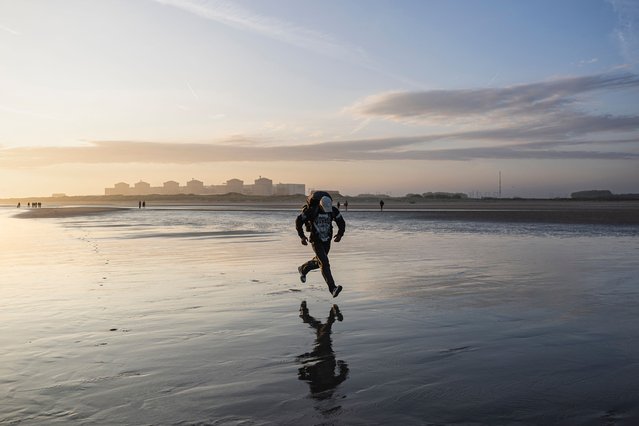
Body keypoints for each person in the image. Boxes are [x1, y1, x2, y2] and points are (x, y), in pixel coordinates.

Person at [296, 193, 345, 298]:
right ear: (320, 205)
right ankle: (333, 288)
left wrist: (340, 234)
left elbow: (341, 222)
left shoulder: (333, 211)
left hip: (327, 240)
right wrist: (302, 237)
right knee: (325, 263)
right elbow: (299, 221)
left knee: (320, 262)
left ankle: (303, 269)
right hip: (316, 240)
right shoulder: (312, 211)